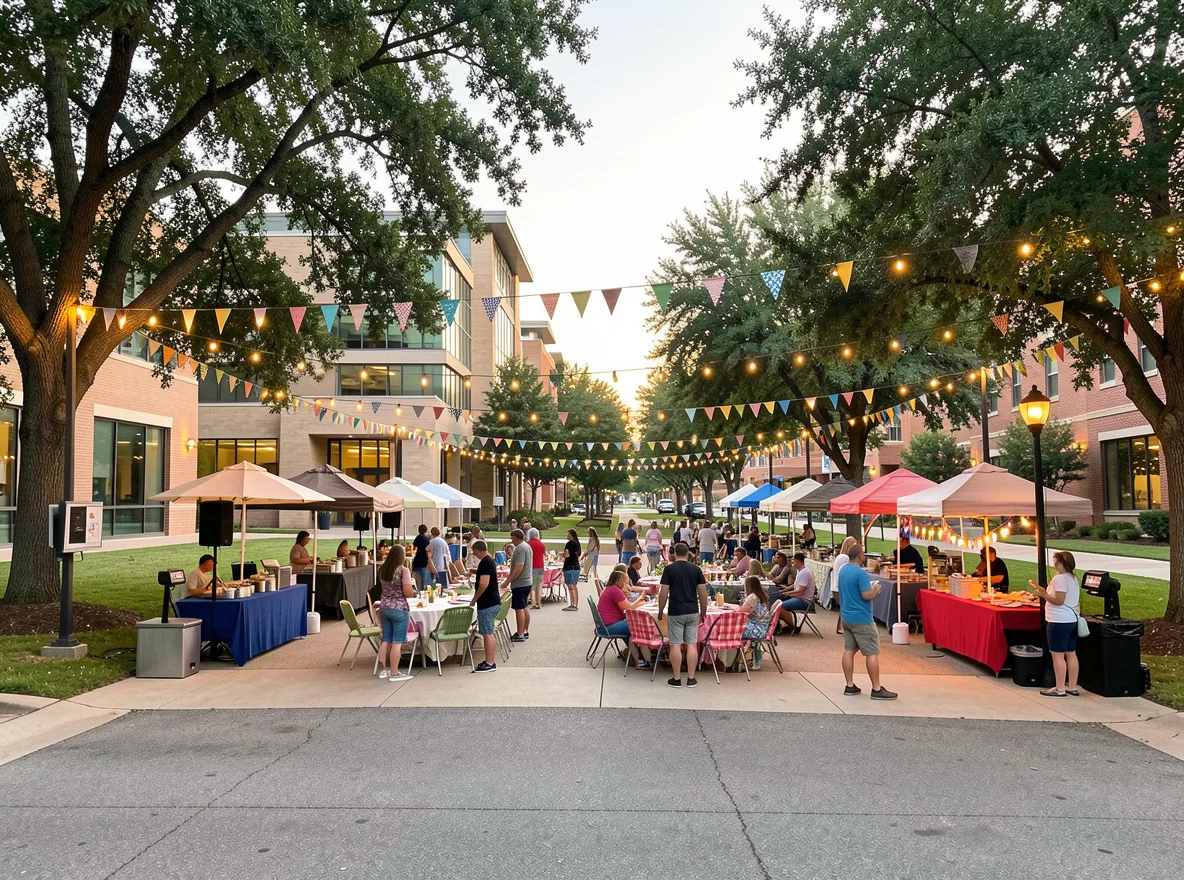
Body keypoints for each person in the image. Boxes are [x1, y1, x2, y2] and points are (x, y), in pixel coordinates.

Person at [837, 542, 897, 700]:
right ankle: (876, 688)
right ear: (860, 556)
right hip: (862, 619)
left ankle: (849, 685)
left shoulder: (843, 570)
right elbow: (867, 595)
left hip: (847, 617)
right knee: (871, 652)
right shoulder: (860, 573)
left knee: (849, 650)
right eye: (863, 554)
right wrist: (876, 588)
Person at [658, 542, 709, 688]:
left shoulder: (669, 569)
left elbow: (664, 592)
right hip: (692, 610)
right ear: (688, 553)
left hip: (676, 611)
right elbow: (703, 593)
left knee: (675, 645)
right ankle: (691, 678)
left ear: (674, 554)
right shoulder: (696, 569)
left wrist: (661, 610)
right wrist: (703, 612)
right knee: (691, 644)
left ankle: (676, 678)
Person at [1032, 551, 1081, 697]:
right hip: (1072, 619)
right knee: (1071, 653)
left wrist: (1044, 595)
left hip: (1058, 620)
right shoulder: (1073, 578)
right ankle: (1072, 686)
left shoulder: (1059, 578)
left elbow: (1059, 600)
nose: (1054, 564)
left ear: (1061, 563)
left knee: (1057, 655)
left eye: (1055, 561)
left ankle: (1060, 688)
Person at [375, 544, 416, 681]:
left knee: (386, 638)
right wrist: (412, 592)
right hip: (399, 608)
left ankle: (384, 670)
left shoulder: (383, 569)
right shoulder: (403, 571)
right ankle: (394, 672)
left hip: (384, 606)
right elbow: (407, 592)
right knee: (397, 641)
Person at [596, 569, 652, 669]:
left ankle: (637, 657)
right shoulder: (615, 591)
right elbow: (628, 609)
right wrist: (640, 598)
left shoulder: (610, 589)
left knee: (632, 625)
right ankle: (640, 659)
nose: (625, 585)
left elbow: (627, 607)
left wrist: (642, 603)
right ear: (620, 581)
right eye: (624, 582)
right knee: (637, 626)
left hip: (605, 625)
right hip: (610, 627)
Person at [469, 540, 500, 673]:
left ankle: (490, 661)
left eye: (474, 551)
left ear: (478, 549)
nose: (473, 553)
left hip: (487, 602)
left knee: (487, 633)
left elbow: (484, 583)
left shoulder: (485, 562)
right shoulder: (489, 561)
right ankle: (489, 660)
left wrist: (475, 598)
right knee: (488, 632)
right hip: (491, 601)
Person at [738, 575, 776, 669]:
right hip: (763, 627)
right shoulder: (762, 596)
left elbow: (741, 612)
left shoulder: (752, 597)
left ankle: (735, 658)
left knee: (734, 629)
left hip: (757, 629)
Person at [502, 529, 532, 642]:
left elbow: (518, 568)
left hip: (520, 583)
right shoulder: (526, 546)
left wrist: (507, 581)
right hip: (527, 581)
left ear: (516, 537)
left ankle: (520, 633)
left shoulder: (519, 549)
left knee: (519, 608)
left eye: (512, 538)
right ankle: (525, 630)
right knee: (524, 607)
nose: (511, 540)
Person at [778, 553, 817, 631]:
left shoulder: (805, 572)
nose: (793, 564)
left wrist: (787, 593)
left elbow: (800, 591)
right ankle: (787, 624)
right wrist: (783, 590)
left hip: (804, 601)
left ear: (798, 561)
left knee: (779, 607)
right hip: (799, 598)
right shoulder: (800, 571)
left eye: (793, 562)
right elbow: (794, 585)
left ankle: (794, 626)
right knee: (778, 603)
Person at [527, 527, 547, 610]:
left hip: (532, 566)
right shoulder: (541, 544)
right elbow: (544, 554)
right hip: (540, 566)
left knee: (532, 586)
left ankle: (533, 603)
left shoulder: (528, 544)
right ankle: (539, 602)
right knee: (539, 585)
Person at [562, 528, 582, 610]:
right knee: (574, 586)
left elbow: (567, 555)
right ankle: (575, 603)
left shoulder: (569, 544)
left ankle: (573, 604)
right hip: (575, 567)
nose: (567, 536)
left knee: (571, 586)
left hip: (570, 567)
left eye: (568, 534)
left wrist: (563, 554)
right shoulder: (577, 544)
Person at [411, 524, 431, 588]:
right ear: (426, 530)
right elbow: (428, 548)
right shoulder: (426, 539)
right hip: (424, 558)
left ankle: (417, 587)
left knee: (417, 575)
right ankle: (422, 587)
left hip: (418, 558)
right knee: (423, 576)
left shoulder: (417, 538)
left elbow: (414, 547)